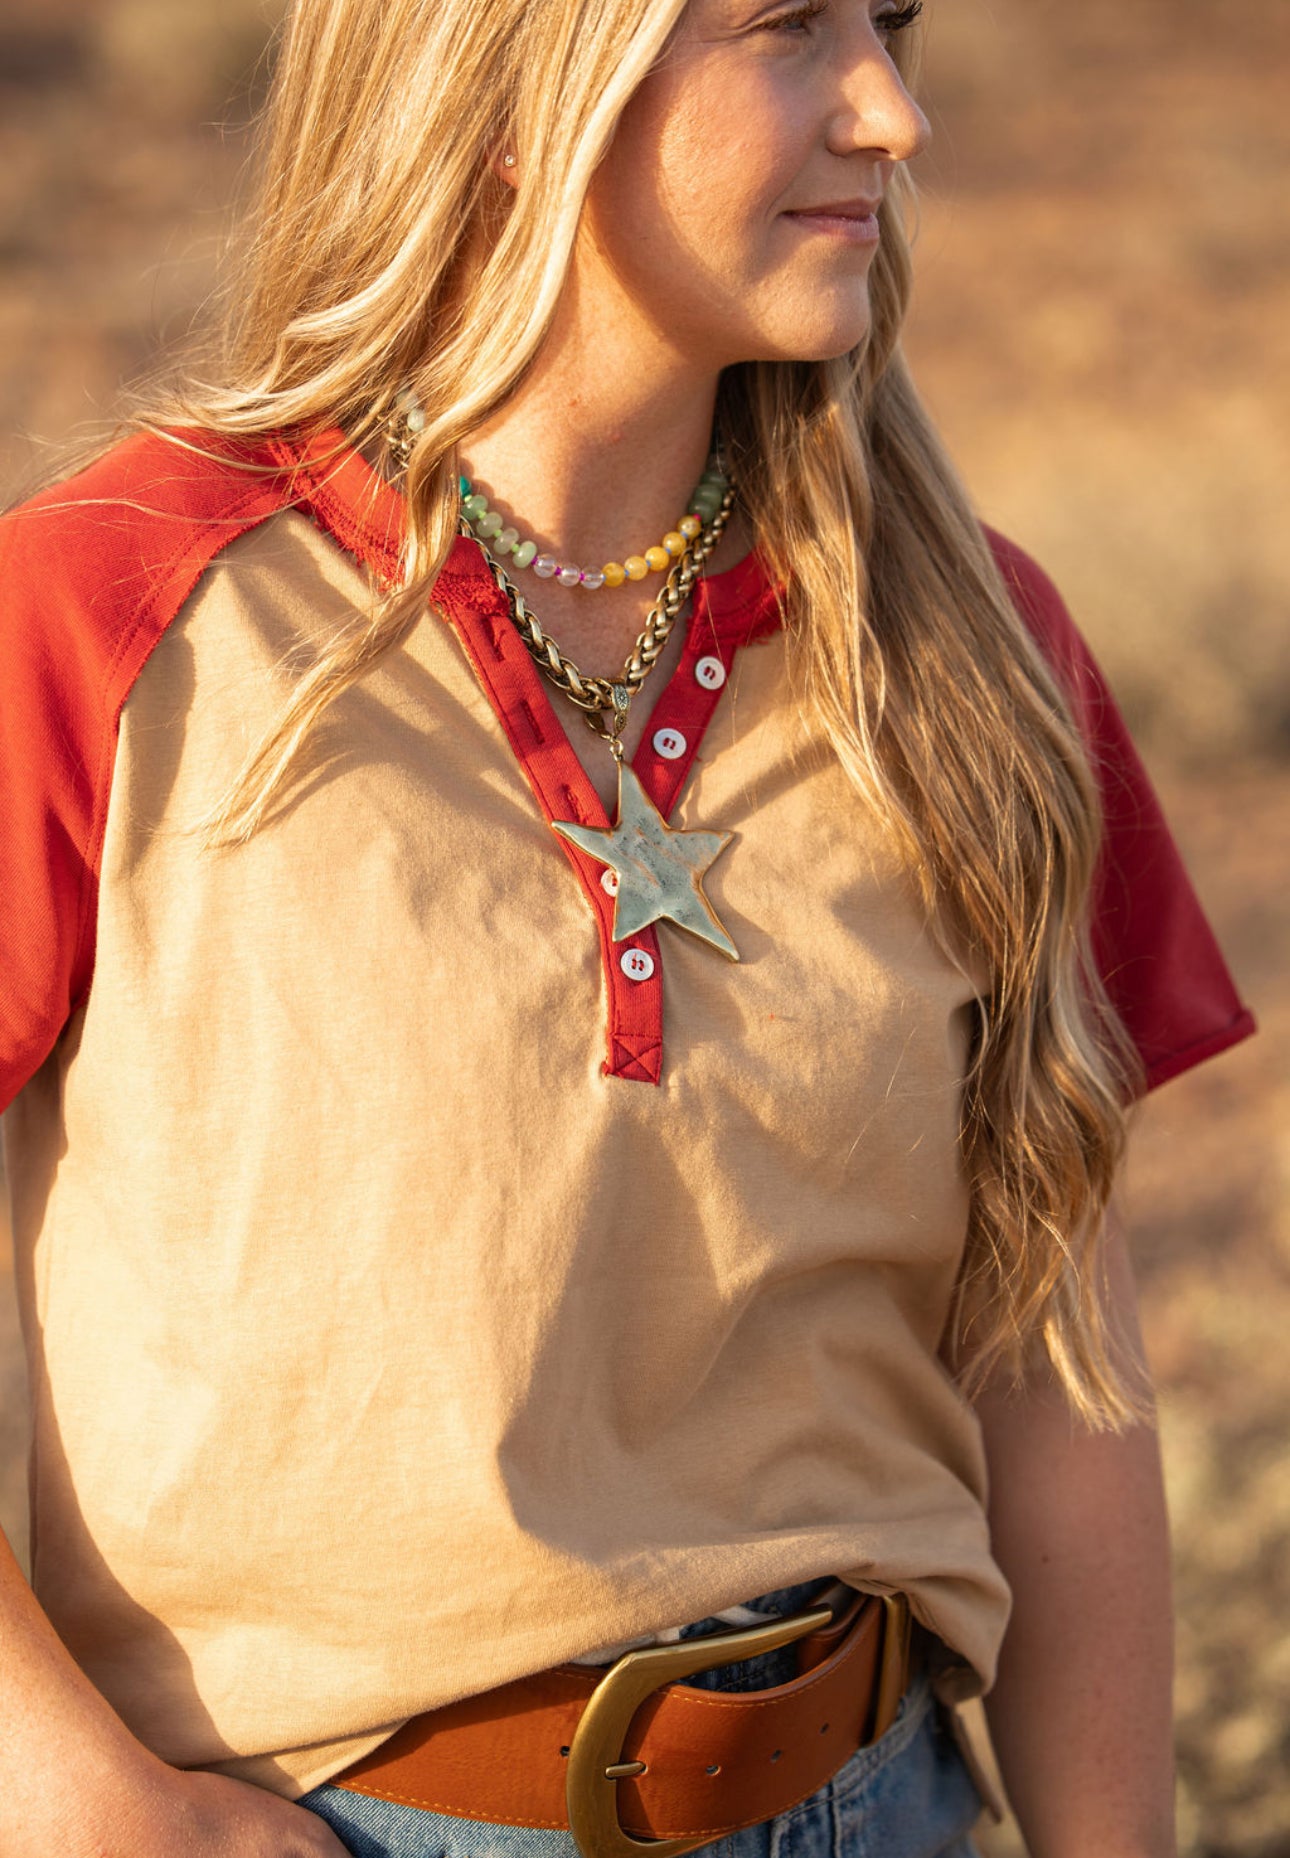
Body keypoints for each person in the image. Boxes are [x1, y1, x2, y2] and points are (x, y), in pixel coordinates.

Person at [0, 1, 1256, 1855]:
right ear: (511, 82)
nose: (893, 114)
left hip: (880, 1803)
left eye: (893, 29)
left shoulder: (971, 657)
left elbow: (1052, 1363)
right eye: (785, 31)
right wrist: (68, 1784)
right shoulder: (104, 609)